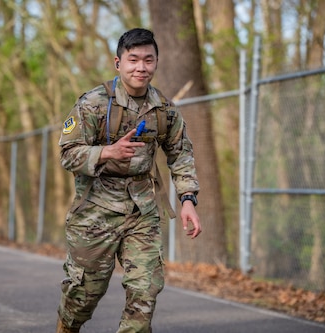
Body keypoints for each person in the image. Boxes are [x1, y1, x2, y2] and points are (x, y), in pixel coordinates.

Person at [56, 28, 201, 333]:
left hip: (142, 212)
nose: (141, 67)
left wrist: (187, 199)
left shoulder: (164, 110)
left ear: (156, 62)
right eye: (133, 59)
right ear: (118, 63)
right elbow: (68, 155)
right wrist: (108, 152)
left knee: (145, 291)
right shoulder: (93, 104)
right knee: (82, 297)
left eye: (148, 60)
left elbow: (180, 154)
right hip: (95, 213)